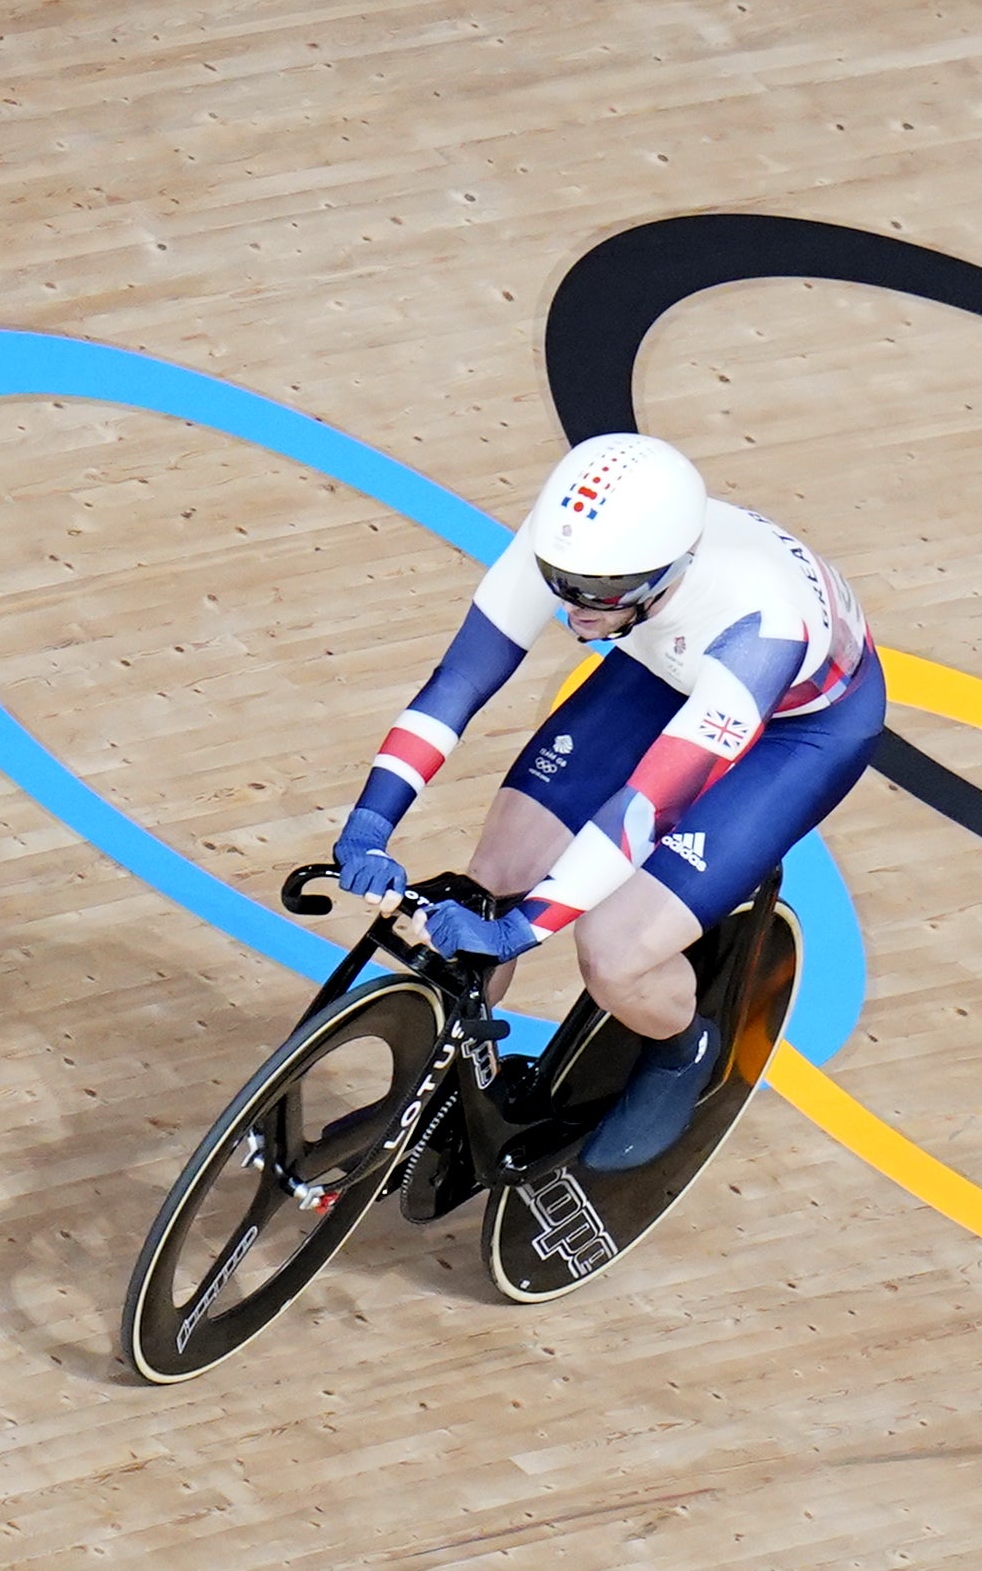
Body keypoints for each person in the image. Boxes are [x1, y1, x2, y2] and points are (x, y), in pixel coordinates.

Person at [328, 432, 881, 1172]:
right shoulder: (583, 556)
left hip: (800, 729)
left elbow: (646, 805)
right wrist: (372, 820)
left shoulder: (760, 627)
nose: (574, 612)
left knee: (613, 952)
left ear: (665, 573)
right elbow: (457, 684)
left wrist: (526, 929)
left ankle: (682, 1051)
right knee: (485, 883)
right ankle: (442, 1077)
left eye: (596, 598)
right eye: (560, 585)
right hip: (665, 659)